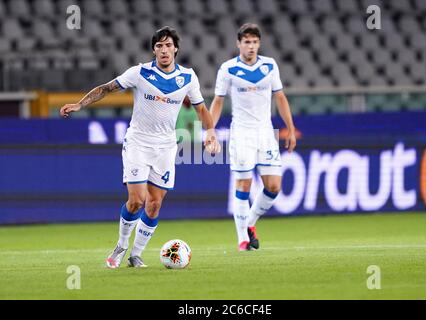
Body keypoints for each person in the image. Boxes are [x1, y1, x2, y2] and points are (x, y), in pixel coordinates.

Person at [60, 26, 221, 268]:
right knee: (137, 200)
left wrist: (211, 133)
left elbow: (201, 109)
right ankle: (121, 246)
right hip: (138, 142)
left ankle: (136, 254)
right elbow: (106, 88)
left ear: (176, 48)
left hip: (166, 146)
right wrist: (80, 104)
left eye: (168, 45)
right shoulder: (140, 72)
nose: (164, 50)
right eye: (159, 46)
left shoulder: (188, 77)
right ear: (154, 50)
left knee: (155, 203)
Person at [209, 23, 297, 251]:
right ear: (239, 44)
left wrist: (290, 127)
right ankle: (242, 240)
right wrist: (210, 130)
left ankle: (249, 223)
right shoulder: (227, 69)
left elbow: (280, 97)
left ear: (259, 44)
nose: (251, 46)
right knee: (244, 183)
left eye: (255, 42)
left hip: (266, 133)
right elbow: (218, 101)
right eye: (246, 42)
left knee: (274, 186)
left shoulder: (270, 65)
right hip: (241, 133)